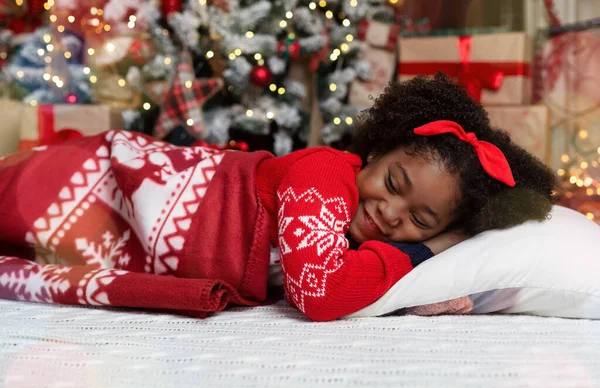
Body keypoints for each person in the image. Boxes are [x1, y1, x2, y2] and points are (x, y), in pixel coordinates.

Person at [0, 73, 556, 321]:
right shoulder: (323, 177)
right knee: (17, 201)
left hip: (129, 240)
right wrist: (425, 250)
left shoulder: (361, 233)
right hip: (106, 180)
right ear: (376, 154)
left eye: (419, 219)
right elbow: (320, 292)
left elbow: (360, 276)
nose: (391, 213)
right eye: (392, 184)